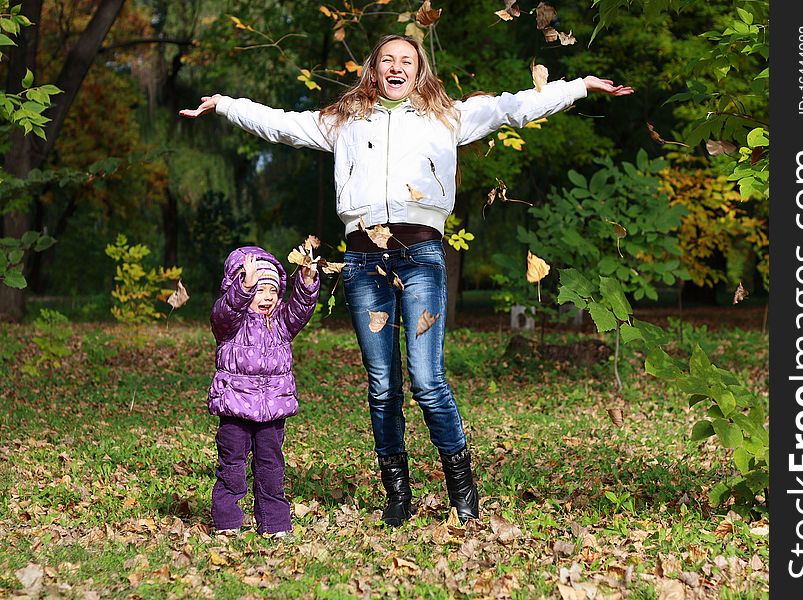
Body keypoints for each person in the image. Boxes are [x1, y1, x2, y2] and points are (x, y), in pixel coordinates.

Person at [181, 34, 633, 527]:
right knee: (382, 386)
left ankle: (462, 487)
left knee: (426, 378)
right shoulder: (345, 120)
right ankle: (398, 495)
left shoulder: (447, 116)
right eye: (387, 60)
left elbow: (514, 107)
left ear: (419, 71)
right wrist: (227, 104)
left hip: (420, 255)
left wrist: (580, 87)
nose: (396, 68)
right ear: (374, 69)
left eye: (407, 62)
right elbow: (283, 125)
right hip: (361, 263)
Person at [207, 245, 319, 538]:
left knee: (271, 467)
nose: (267, 297)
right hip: (235, 406)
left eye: (271, 289)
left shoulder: (279, 322)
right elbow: (225, 310)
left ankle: (274, 523)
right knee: (232, 465)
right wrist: (243, 287)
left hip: (272, 409)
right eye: (258, 290)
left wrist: (306, 284)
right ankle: (228, 519)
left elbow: (299, 310)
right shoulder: (230, 324)